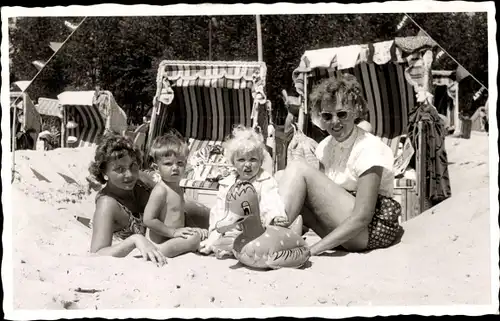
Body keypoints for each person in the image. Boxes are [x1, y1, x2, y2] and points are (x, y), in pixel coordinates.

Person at [277, 73, 403, 255]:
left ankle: (273, 237)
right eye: (327, 116)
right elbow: (314, 199)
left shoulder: (369, 147)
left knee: (298, 167)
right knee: (281, 176)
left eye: (342, 114)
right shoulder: (325, 146)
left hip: (369, 229)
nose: (335, 122)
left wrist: (312, 251)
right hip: (343, 224)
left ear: (356, 111)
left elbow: (363, 216)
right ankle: (277, 236)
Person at [199, 125, 289, 256]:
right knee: (218, 241)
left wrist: (275, 216)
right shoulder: (227, 183)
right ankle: (217, 242)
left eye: (253, 160)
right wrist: (215, 232)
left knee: (258, 243)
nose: (247, 164)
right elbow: (219, 210)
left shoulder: (264, 180)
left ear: (260, 161)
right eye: (241, 160)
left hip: (257, 228)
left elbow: (271, 201)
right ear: (233, 162)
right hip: (230, 229)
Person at [89, 133, 167, 265]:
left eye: (133, 165)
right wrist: (135, 240)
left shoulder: (141, 181)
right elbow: (97, 253)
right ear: (104, 173)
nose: (129, 174)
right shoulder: (108, 204)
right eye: (119, 169)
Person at [143, 134, 208, 258]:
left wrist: (193, 227)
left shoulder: (177, 188)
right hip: (160, 243)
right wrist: (172, 232)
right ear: (157, 168)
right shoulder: (161, 191)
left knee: (201, 233)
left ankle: (192, 243)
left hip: (173, 237)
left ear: (186, 165)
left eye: (180, 163)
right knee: (194, 239)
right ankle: (164, 251)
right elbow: (148, 219)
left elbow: (180, 214)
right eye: (168, 164)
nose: (175, 168)